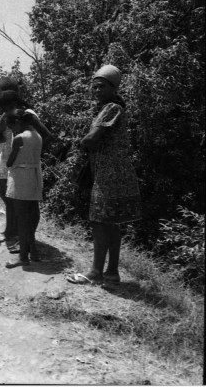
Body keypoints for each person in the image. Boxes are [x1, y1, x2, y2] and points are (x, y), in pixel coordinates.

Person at [67, 65, 141, 285]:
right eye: (95, 86)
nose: (96, 90)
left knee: (99, 221)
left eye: (102, 86)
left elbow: (91, 139)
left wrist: (79, 143)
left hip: (109, 175)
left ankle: (96, 272)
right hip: (117, 174)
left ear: (113, 88)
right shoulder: (113, 107)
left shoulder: (111, 108)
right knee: (112, 223)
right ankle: (112, 272)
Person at [0, 88, 52, 254]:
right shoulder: (10, 117)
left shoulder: (27, 114)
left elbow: (45, 135)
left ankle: (24, 240)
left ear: (13, 104)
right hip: (18, 166)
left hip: (27, 166)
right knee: (17, 200)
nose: (3, 112)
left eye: (4, 108)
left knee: (29, 207)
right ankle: (21, 238)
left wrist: (33, 153)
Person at [4, 109, 43, 268]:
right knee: (31, 217)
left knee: (22, 220)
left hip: (20, 178)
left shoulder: (19, 138)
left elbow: (9, 162)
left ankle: (23, 257)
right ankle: (33, 252)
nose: (13, 131)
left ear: (18, 123)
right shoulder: (38, 136)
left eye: (12, 127)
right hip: (34, 177)